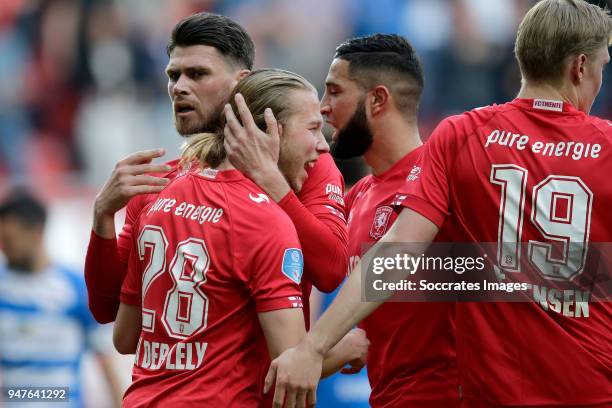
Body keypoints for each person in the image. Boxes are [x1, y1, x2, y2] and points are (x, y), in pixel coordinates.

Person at [265, 1, 612, 407]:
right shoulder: (607, 146)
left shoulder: (465, 134)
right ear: (580, 66)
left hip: (490, 394)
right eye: (603, 67)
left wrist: (315, 346)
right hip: (592, 386)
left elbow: (399, 252)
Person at [226, 33, 458, 407]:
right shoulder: (360, 195)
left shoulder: (444, 177)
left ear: (378, 99)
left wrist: (271, 182)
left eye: (334, 92)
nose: (322, 108)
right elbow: (327, 267)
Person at [113, 68, 367, 407]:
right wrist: (345, 347)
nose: (323, 144)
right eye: (313, 129)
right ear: (271, 131)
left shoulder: (161, 200)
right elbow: (289, 374)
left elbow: (124, 337)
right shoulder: (267, 219)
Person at [84, 12, 348, 327]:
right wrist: (102, 216)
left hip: (267, 375)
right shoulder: (160, 182)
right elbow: (106, 311)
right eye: (174, 75)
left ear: (241, 83)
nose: (179, 87)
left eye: (197, 74)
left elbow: (331, 271)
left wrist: (272, 182)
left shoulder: (304, 164)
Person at [0, 189, 122, 407]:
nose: (4, 249)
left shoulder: (74, 288)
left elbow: (105, 361)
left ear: (36, 232)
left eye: (9, 240)